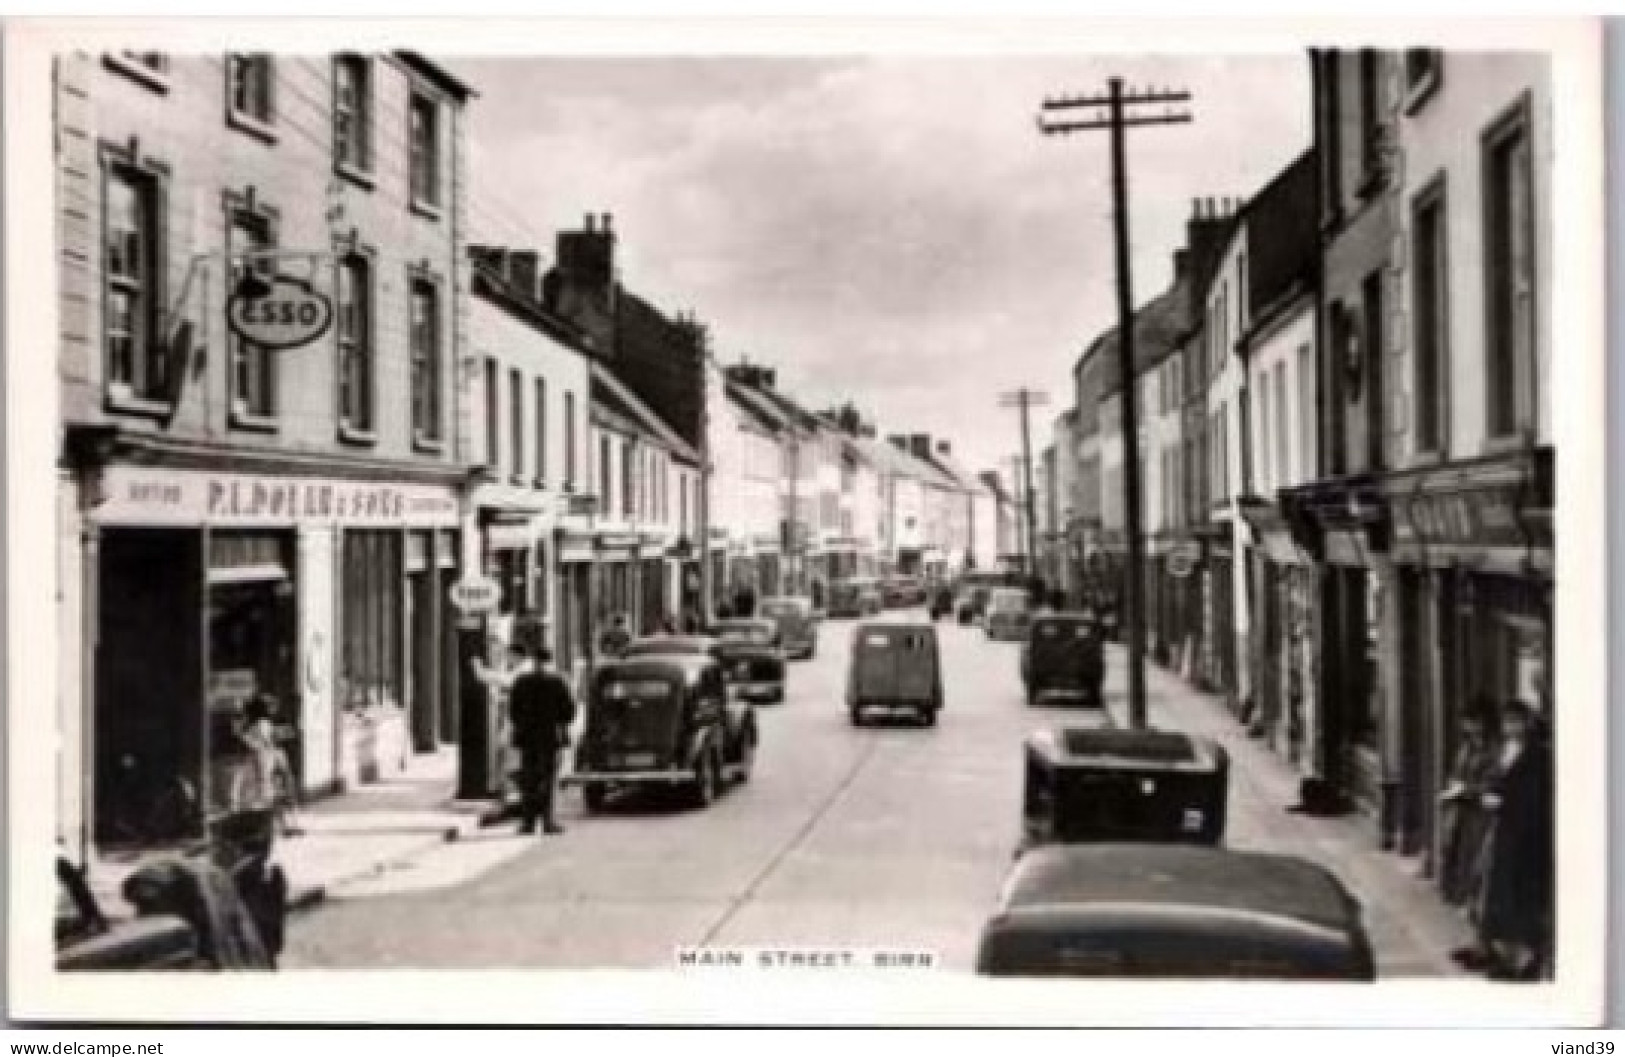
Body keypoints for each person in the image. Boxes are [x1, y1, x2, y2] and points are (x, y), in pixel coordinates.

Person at [1473, 699, 1554, 980]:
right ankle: (1505, 955)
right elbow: (1494, 778)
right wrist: (1488, 793)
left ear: (1526, 723)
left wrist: (1502, 802)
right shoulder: (1505, 750)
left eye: (1516, 722)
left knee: (1523, 895)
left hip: (1526, 835)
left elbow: (1533, 798)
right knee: (1499, 891)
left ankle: (1527, 959)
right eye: (1508, 722)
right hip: (1504, 831)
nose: (1511, 727)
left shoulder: (1537, 755)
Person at [505, 644, 578, 836]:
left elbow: (513, 710)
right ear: (550, 661)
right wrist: (559, 722)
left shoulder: (521, 681)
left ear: (534, 661)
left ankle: (527, 823)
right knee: (549, 780)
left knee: (529, 779)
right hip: (551, 738)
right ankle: (548, 821)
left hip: (527, 738)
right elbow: (569, 711)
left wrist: (522, 725)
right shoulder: (558, 682)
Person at [1438, 699, 1499, 907]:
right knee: (1458, 856)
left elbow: (1493, 783)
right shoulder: (1467, 747)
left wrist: (1466, 790)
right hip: (1462, 812)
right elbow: (1456, 772)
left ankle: (1474, 906)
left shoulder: (1493, 749)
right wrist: (1453, 787)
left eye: (1472, 722)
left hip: (1480, 815)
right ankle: (1464, 901)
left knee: (1477, 861)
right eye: (1467, 723)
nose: (1468, 727)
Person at [236, 694, 302, 838]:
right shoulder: (263, 724)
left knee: (271, 795)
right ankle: (285, 826)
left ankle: (282, 826)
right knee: (275, 795)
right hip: (270, 759)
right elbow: (266, 743)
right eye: (271, 706)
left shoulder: (256, 725)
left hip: (267, 759)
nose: (274, 709)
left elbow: (260, 743)